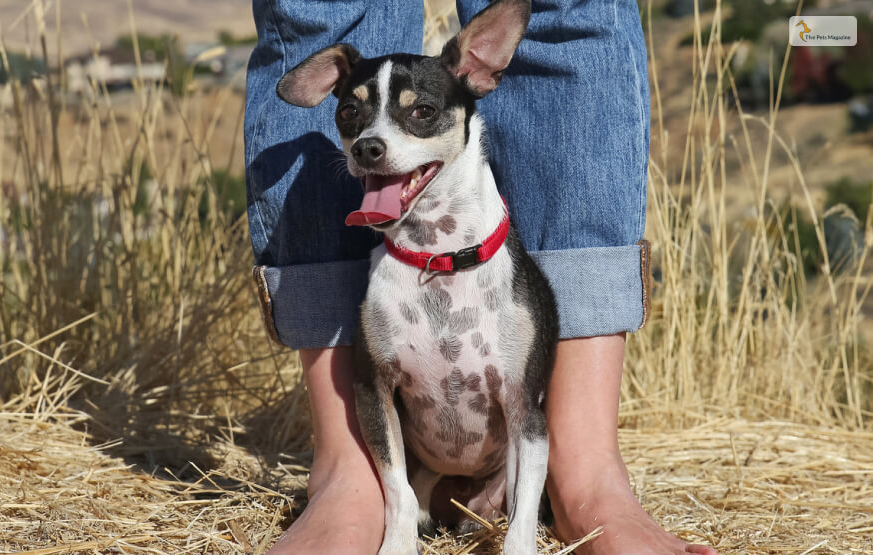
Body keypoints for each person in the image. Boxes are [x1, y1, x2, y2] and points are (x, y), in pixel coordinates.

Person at [244, 1, 717, 553]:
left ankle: (583, 470)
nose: (371, 140)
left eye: (417, 114)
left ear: (479, 71)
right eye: (354, 117)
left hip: (491, 289)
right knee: (321, 5)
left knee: (561, 7)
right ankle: (353, 476)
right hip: (403, 341)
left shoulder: (465, 83)